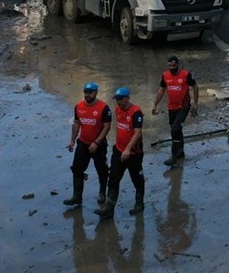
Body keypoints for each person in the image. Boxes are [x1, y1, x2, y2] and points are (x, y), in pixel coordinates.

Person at [94, 87, 145, 219]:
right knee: (113, 179)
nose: (118, 102)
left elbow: (138, 132)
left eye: (120, 99)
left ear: (127, 98)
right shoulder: (117, 110)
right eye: (116, 99)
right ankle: (109, 209)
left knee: (137, 179)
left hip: (133, 153)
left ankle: (139, 204)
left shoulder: (136, 112)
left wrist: (128, 149)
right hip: (118, 150)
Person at [64, 82, 112, 208]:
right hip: (83, 143)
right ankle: (77, 197)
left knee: (102, 170)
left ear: (96, 93)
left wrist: (96, 142)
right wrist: (72, 141)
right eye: (85, 92)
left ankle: (102, 193)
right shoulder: (79, 106)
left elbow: (107, 127)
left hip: (99, 145)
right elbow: (76, 123)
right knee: (77, 169)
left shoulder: (104, 108)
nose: (87, 94)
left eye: (90, 92)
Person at [151, 55, 199, 167]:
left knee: (175, 129)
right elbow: (162, 89)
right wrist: (155, 104)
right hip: (171, 107)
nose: (171, 68)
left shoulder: (185, 75)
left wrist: (195, 103)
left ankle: (173, 156)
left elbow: (195, 87)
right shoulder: (165, 76)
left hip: (183, 107)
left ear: (177, 65)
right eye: (169, 66)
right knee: (176, 129)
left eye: (173, 65)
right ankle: (180, 151)